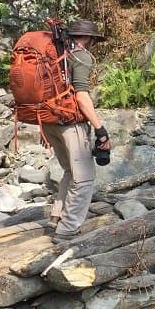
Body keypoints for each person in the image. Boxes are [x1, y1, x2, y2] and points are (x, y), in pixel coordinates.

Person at [43, 19, 111, 245]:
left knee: (69, 171)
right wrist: (100, 130)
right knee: (84, 178)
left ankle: (56, 217)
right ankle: (68, 229)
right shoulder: (81, 57)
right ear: (89, 39)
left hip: (48, 121)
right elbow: (81, 96)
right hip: (70, 124)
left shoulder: (53, 54)